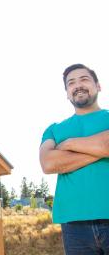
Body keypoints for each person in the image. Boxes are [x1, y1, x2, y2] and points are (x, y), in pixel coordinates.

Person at [40, 63, 109, 254]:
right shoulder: (54, 129)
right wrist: (100, 148)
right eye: (71, 83)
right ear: (67, 93)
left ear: (98, 86)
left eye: (84, 79)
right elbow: (48, 163)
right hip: (74, 226)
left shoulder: (64, 137)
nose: (77, 85)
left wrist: (69, 144)